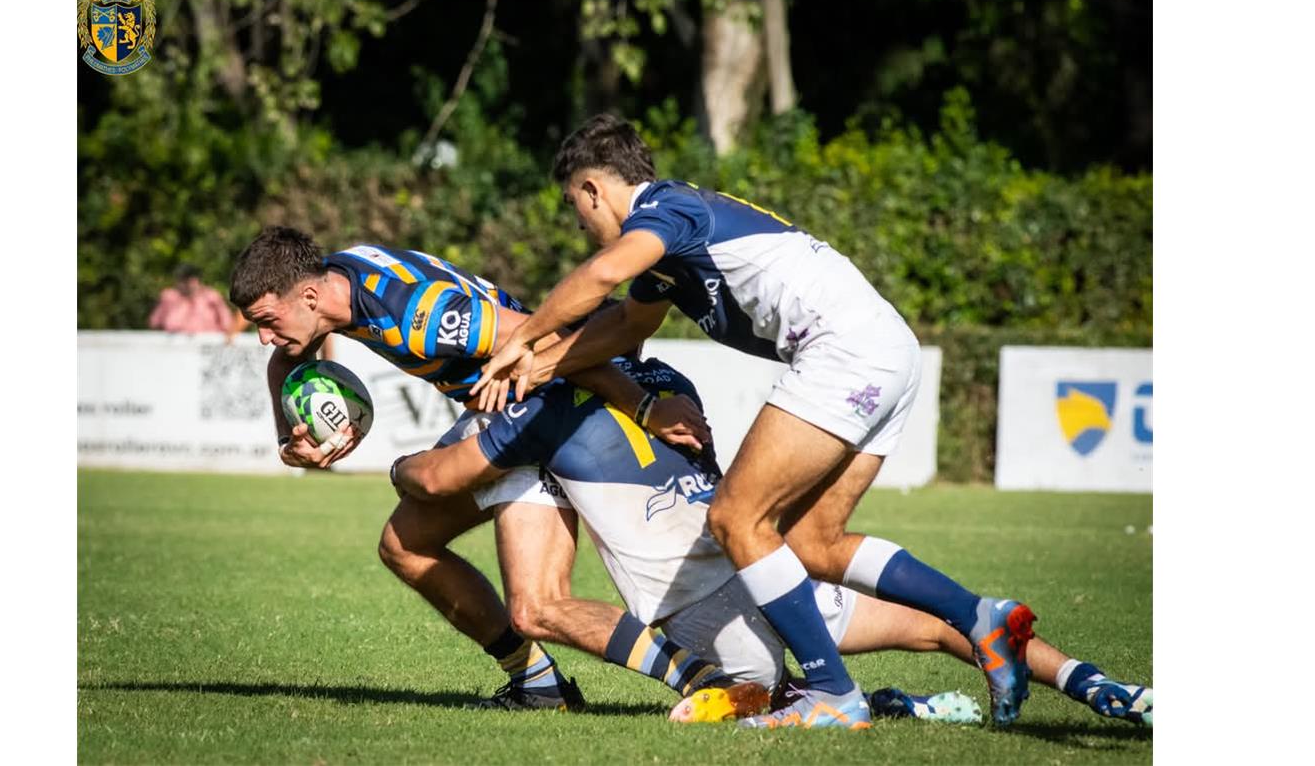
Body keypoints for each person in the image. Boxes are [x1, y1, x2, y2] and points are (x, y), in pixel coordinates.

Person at [471, 114, 1037, 728]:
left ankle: (832, 695)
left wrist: (524, 338)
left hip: (842, 350)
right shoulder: (669, 248)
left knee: (736, 518)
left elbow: (604, 276)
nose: (579, 224)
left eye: (574, 206)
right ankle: (983, 619)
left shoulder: (663, 210)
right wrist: (544, 365)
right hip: (886, 348)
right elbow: (628, 326)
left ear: (592, 189)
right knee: (812, 543)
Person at [400, 351, 1152, 728]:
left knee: (758, 697)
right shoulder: (642, 373)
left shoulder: (519, 413)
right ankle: (1100, 686)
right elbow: (685, 412)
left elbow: (437, 482)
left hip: (699, 604)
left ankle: (888, 707)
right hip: (761, 563)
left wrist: (400, 461)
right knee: (939, 626)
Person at [229, 226, 744, 713]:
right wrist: (287, 441)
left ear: (310, 299)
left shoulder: (414, 314)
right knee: (404, 544)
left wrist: (643, 408)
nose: (263, 338)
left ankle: (702, 681)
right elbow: (283, 364)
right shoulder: (338, 273)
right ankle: (537, 684)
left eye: (267, 322)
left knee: (537, 604)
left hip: (537, 406)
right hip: (513, 408)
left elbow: (539, 341)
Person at [149, 264, 237, 334]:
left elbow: (227, 323)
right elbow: (155, 323)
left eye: (189, 280)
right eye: (182, 280)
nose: (186, 285)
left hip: (206, 345)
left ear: (197, 280)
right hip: (174, 347)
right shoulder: (169, 297)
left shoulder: (211, 297)